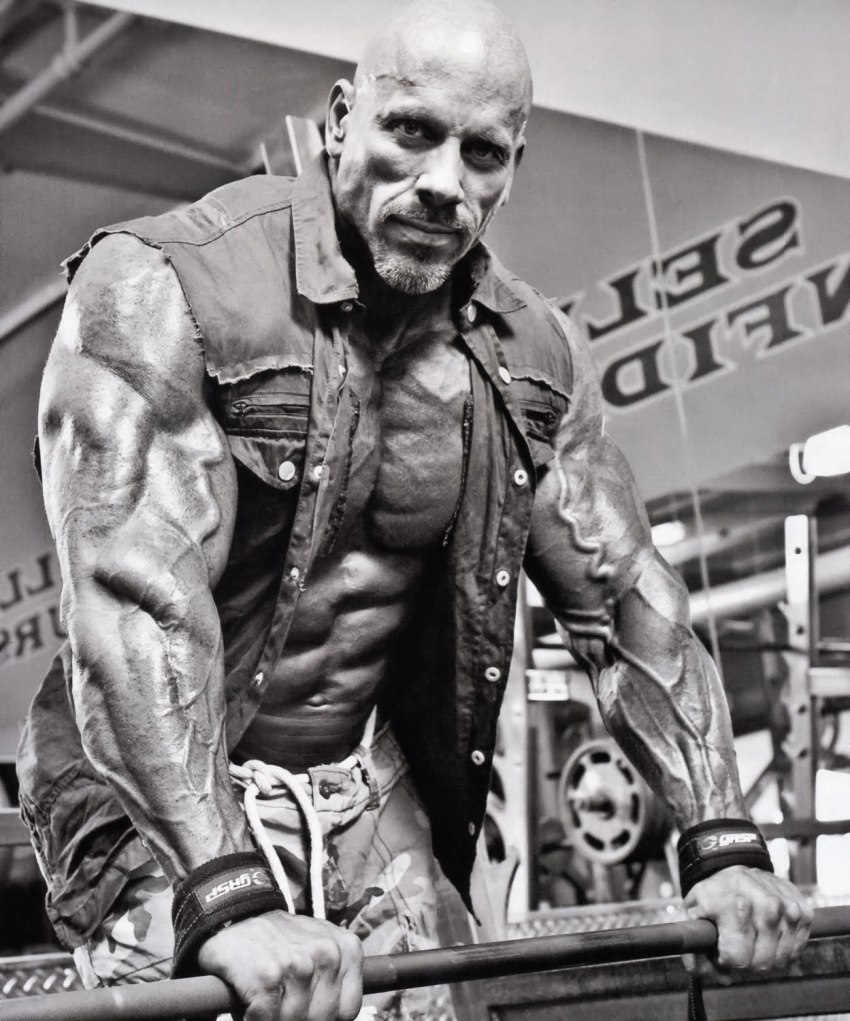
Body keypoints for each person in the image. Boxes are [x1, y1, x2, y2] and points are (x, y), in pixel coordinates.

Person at [18, 1, 812, 1019]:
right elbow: (133, 606)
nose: (444, 183)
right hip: (159, 786)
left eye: (483, 153)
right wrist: (226, 895)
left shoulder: (532, 354)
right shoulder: (167, 283)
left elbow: (621, 603)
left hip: (361, 769)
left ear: (513, 165)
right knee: (182, 993)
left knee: (442, 986)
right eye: (412, 132)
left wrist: (722, 842)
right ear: (342, 118)